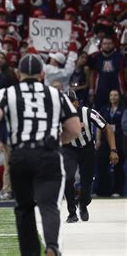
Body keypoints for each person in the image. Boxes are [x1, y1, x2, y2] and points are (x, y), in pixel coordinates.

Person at [0, 54, 81, 256]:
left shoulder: (7, 93)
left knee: (24, 208)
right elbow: (74, 128)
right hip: (48, 155)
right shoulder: (56, 95)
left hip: (20, 155)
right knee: (49, 206)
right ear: (42, 73)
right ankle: (52, 246)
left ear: (19, 74)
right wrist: (57, 140)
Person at [62, 90, 117, 223]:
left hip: (87, 149)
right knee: (68, 178)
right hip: (69, 149)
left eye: (71, 101)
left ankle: (83, 203)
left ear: (77, 102)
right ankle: (72, 213)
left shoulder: (88, 112)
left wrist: (113, 150)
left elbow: (107, 127)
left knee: (87, 181)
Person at [97, 89, 125, 197]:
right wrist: (98, 139)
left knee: (118, 166)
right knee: (102, 165)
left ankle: (117, 191)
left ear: (119, 97)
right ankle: (103, 190)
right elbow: (99, 126)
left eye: (115, 95)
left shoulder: (124, 109)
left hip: (119, 140)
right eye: (111, 95)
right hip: (104, 141)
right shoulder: (104, 109)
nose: (113, 97)